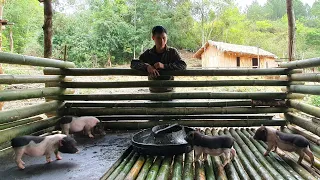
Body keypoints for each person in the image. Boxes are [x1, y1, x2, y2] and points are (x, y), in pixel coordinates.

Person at [130, 25, 187, 93]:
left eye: (164, 38)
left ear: (167, 37)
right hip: (153, 91)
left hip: (169, 91)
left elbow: (183, 65)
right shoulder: (148, 53)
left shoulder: (172, 52)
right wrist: (147, 67)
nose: (162, 41)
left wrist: (164, 66)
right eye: (158, 38)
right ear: (153, 38)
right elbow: (134, 63)